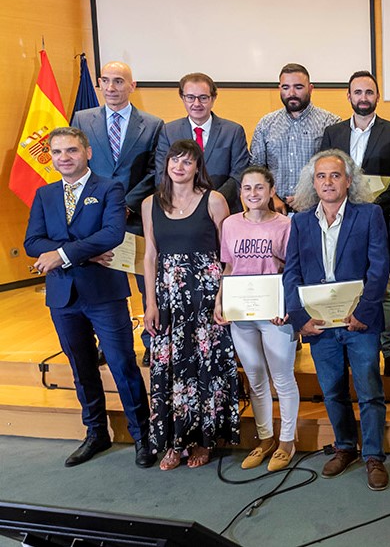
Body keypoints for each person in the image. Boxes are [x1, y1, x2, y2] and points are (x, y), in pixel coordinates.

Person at [23, 127, 154, 468]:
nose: (64, 158)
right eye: (57, 153)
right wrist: (78, 253)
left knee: (124, 366)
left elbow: (111, 234)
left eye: (71, 151)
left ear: (87, 152)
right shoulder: (44, 194)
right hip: (63, 297)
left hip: (104, 294)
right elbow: (32, 242)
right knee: (82, 369)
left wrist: (63, 254)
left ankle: (143, 436)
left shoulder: (109, 188)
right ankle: (96, 433)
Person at [282, 150, 390, 491]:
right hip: (318, 326)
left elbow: (379, 268)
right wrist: (299, 319)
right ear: (312, 183)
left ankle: (373, 455)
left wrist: (364, 312)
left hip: (359, 321)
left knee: (370, 391)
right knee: (332, 391)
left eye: (335, 175)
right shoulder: (299, 222)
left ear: (348, 181)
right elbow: (291, 272)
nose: (328, 182)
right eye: (321, 176)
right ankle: (345, 447)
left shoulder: (369, 214)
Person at [142, 139, 238, 470]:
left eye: (187, 161)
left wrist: (222, 298)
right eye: (174, 161)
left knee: (204, 368)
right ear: (166, 165)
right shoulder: (150, 203)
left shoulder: (214, 200)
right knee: (170, 370)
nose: (180, 167)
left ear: (198, 167)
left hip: (206, 295)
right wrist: (150, 303)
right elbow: (150, 255)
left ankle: (202, 440)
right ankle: (173, 442)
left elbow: (228, 255)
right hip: (168, 296)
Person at [319, 70, 390, 377]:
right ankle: (344, 345)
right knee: (343, 281)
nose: (363, 98)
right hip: (339, 220)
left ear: (377, 96)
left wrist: (375, 203)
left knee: (382, 287)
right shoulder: (333, 133)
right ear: (348, 96)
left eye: (369, 92)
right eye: (357, 92)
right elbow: (324, 173)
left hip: (377, 219)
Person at [71, 60, 164, 364]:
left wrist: (127, 204)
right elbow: (77, 164)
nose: (111, 88)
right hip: (94, 217)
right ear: (98, 84)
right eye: (105, 81)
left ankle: (152, 342)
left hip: (135, 215)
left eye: (119, 81)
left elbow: (155, 171)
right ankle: (106, 342)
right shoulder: (82, 119)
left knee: (146, 281)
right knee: (100, 282)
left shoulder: (152, 124)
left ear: (132, 86)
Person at [214, 166, 297, 472]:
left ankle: (287, 440)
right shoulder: (231, 224)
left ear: (270, 190)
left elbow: (292, 270)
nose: (253, 194)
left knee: (282, 377)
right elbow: (228, 268)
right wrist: (220, 302)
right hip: (241, 313)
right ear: (241, 193)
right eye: (247, 188)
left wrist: (287, 306)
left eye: (259, 188)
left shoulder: (286, 225)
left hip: (275, 313)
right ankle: (265, 439)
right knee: (255, 377)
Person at [250, 63, 340, 213]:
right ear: (279, 88)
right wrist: (272, 197)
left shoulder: (330, 123)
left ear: (310, 88)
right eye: (286, 87)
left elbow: (337, 170)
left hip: (317, 208)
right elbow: (256, 168)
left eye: (298, 87)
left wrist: (309, 197)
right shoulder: (266, 124)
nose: (291, 93)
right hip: (273, 208)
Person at [155, 72, 250, 213]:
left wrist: (212, 202)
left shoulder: (233, 131)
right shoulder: (169, 131)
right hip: (180, 211)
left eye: (203, 98)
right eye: (190, 97)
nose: (196, 104)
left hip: (224, 210)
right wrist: (188, 204)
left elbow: (239, 174)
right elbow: (161, 174)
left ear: (213, 98)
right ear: (182, 98)